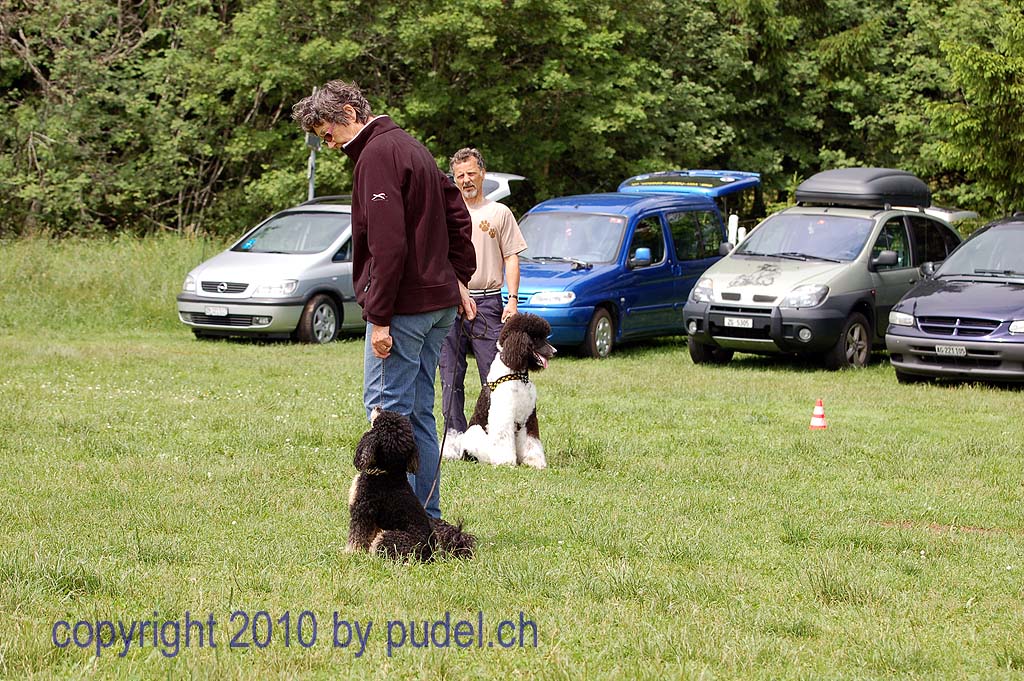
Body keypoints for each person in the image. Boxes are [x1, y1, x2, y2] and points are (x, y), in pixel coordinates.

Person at [292, 81, 477, 519]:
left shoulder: (376, 155)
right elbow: (457, 212)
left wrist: (379, 317)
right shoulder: (412, 146)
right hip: (436, 305)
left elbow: (387, 245)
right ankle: (426, 519)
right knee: (420, 415)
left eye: (328, 134)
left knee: (387, 418)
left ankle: (397, 522)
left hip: (405, 309)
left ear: (349, 113)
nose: (329, 145)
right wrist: (457, 277)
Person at [439, 148, 528, 455]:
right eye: (459, 175)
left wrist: (512, 300)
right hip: (451, 304)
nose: (466, 180)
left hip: (488, 302)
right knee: (450, 374)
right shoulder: (446, 214)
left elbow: (511, 257)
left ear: (483, 174)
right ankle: (454, 439)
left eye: (471, 174)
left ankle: (494, 436)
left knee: (494, 374)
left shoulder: (499, 213)